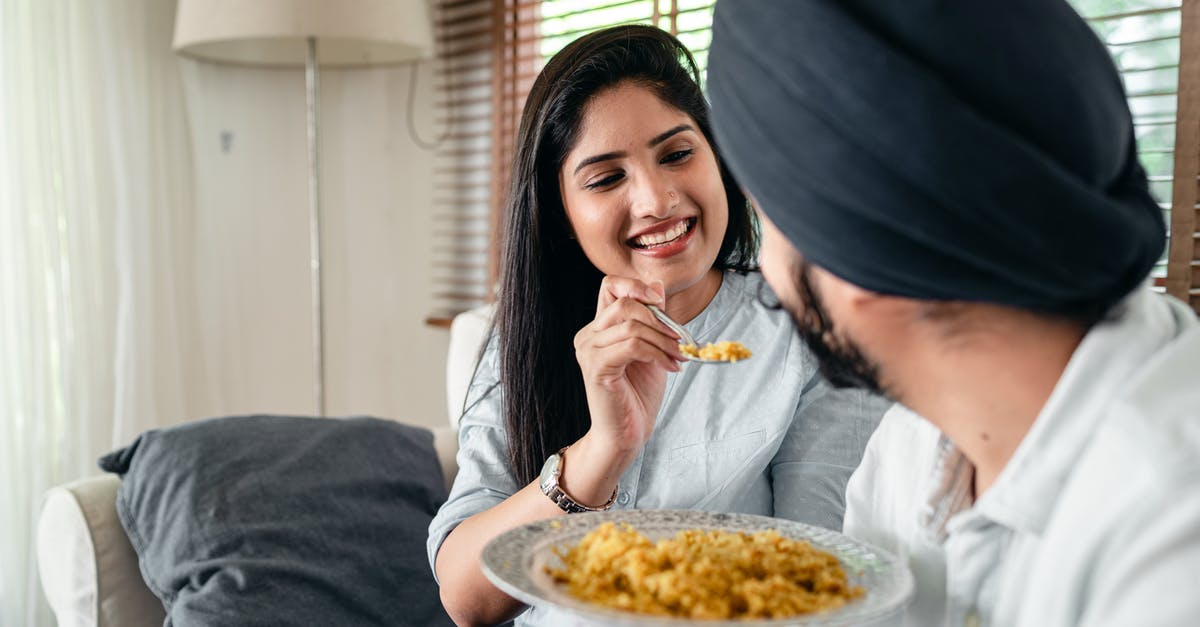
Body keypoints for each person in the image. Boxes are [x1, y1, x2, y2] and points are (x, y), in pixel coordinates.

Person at [707, 1, 1200, 626]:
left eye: (764, 216)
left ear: (854, 252)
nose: (765, 273)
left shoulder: (1173, 543)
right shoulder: (910, 450)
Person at [427, 24, 890, 626]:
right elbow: (466, 598)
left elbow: (815, 582)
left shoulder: (806, 329)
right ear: (562, 213)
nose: (656, 199)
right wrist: (602, 450)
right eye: (606, 178)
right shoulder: (524, 339)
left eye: (676, 154)